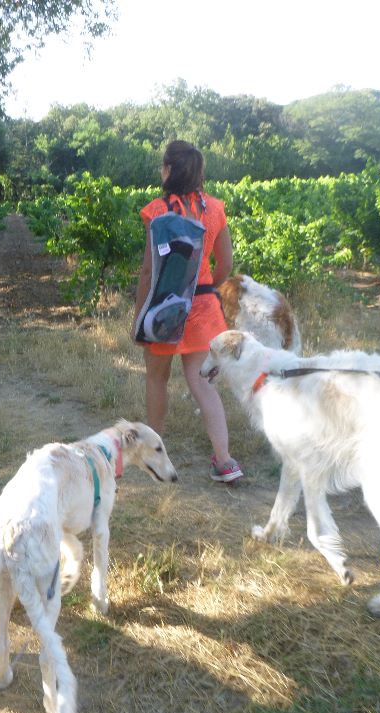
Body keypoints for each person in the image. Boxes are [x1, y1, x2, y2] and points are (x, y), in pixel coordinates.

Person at [132, 140, 242, 483]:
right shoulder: (216, 209)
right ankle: (225, 461)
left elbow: (149, 272)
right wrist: (205, 290)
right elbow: (226, 264)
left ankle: (153, 458)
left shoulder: (156, 211)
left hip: (164, 309)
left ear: (168, 170)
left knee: (156, 379)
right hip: (205, 310)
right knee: (202, 384)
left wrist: (140, 316)